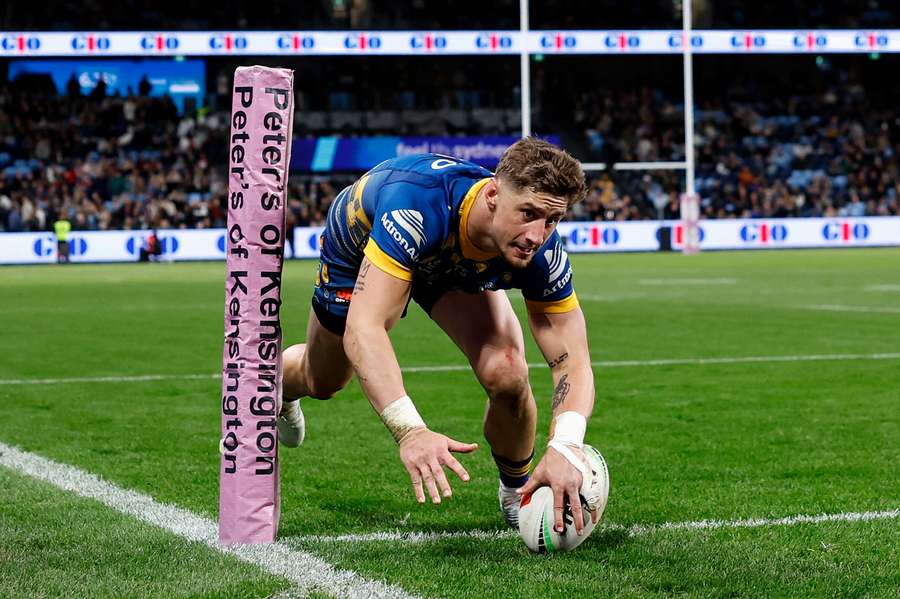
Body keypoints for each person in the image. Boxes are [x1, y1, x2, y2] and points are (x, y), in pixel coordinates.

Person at [279, 137, 599, 535]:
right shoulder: (416, 206)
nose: (537, 234)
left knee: (508, 371)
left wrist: (566, 445)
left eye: (551, 220)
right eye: (528, 213)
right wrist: (410, 430)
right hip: (362, 243)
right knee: (324, 379)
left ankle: (519, 492)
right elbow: (366, 328)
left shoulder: (541, 252)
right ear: (494, 195)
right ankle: (282, 383)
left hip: (449, 261)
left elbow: (573, 360)